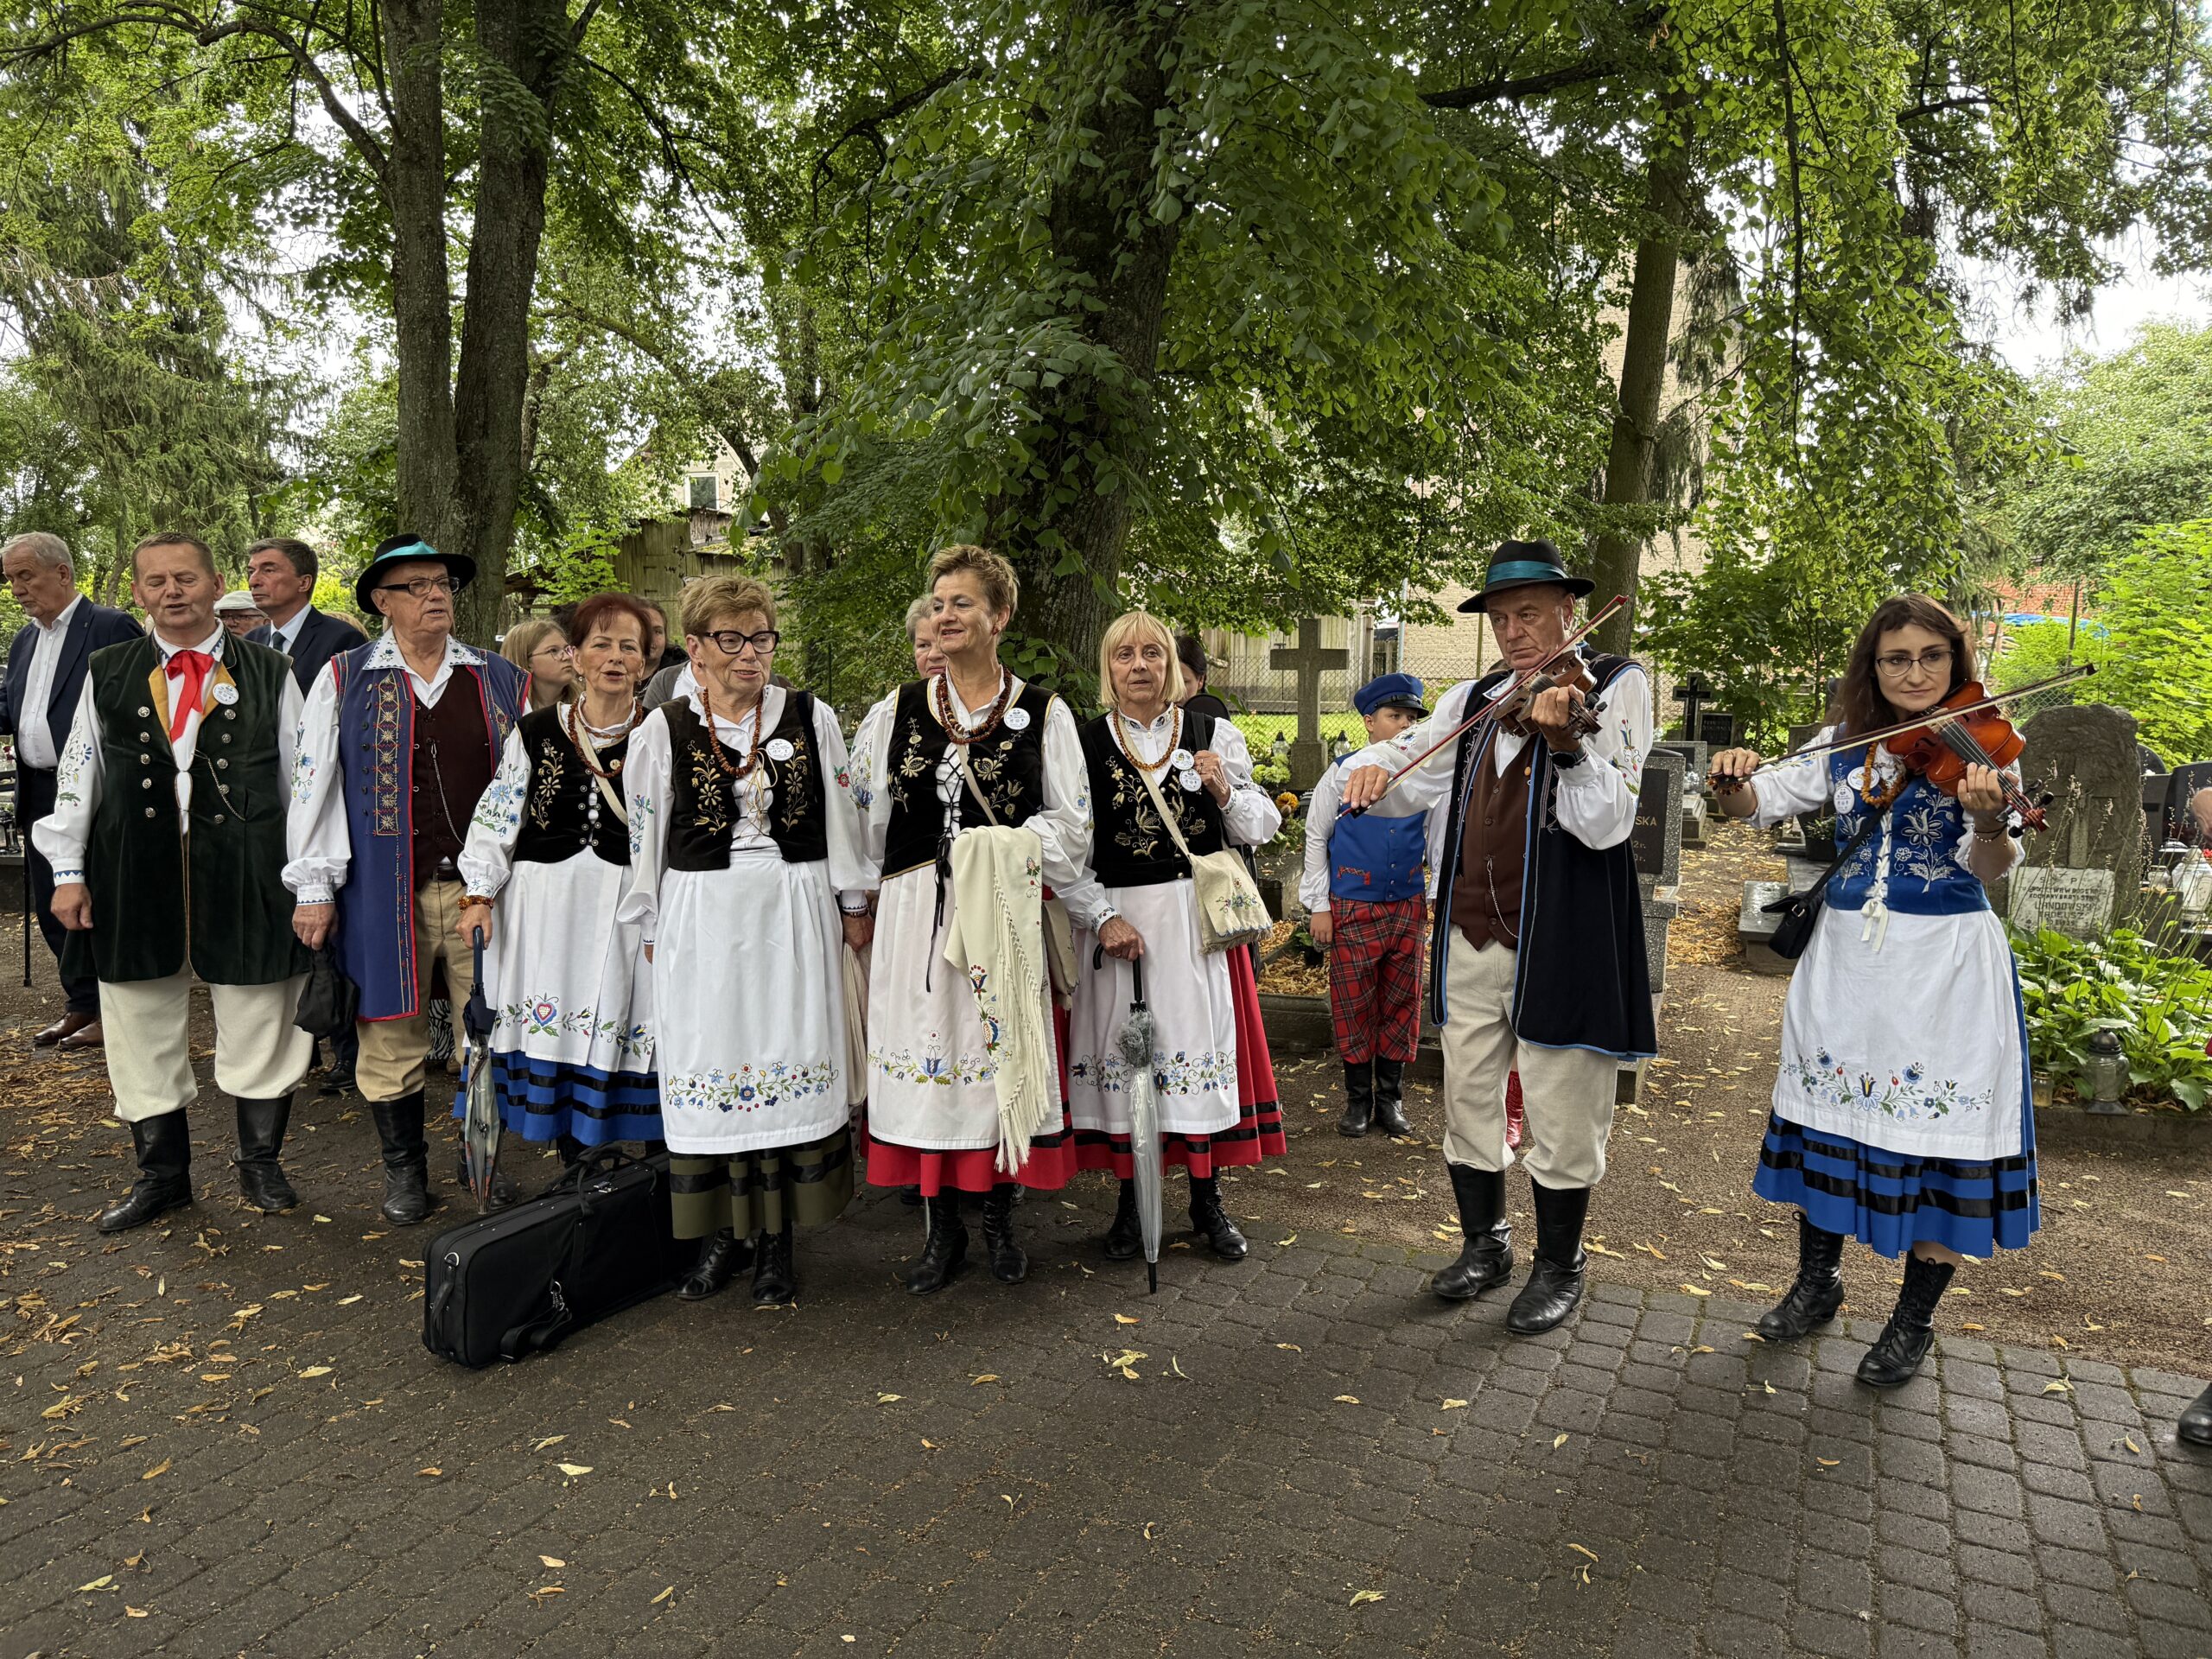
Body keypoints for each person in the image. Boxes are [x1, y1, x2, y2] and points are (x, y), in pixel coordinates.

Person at [1708, 594, 2038, 1389]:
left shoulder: (1987, 750)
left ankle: (1912, 1322)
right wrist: (1732, 780)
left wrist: (1990, 822)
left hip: (1945, 970)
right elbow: (1758, 806)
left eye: (1933, 657)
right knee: (1831, 1117)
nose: (1916, 672)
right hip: (1848, 966)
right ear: (1874, 667)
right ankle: (1816, 1284)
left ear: (1956, 665)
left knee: (1939, 1139)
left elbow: (1993, 872)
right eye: (1898, 658)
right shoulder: (1843, 743)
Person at [1341, 539, 1655, 1334]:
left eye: (1529, 614)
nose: (1514, 631)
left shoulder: (1614, 686)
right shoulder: (1472, 699)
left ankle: (1561, 1264)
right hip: (1472, 933)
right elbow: (1414, 770)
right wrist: (1373, 773)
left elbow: (1609, 822)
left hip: (1561, 936)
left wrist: (1568, 742)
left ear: (1568, 612)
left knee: (1560, 1104)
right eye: (1502, 617)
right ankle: (1487, 1245)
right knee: (1469, 1096)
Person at [35, 532, 314, 1230]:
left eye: (185, 578)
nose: (172, 592)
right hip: (134, 867)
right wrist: (67, 872)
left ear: (216, 583)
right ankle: (162, 1178)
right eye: (156, 581)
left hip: (247, 868)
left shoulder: (271, 671)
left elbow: (306, 784)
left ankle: (260, 1166)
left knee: (261, 1013)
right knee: (135, 1019)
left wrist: (311, 882)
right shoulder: (108, 668)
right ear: (137, 593)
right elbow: (78, 774)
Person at [619, 576, 868, 1304]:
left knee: (788, 1051)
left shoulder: (811, 717)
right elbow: (645, 835)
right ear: (695, 649)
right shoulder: (661, 728)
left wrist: (853, 899)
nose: (749, 653)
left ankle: (779, 1244)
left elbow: (844, 815)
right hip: (703, 912)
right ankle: (722, 1236)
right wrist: (654, 923)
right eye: (730, 639)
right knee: (713, 1058)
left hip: (795, 906)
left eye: (761, 637)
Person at [850, 545, 1090, 1293]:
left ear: (1000, 616)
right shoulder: (896, 710)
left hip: (1002, 913)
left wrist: (1001, 847)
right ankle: (942, 1230)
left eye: (962, 603)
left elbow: (1073, 829)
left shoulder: (1046, 713)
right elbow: (866, 818)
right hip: (918, 910)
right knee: (931, 1062)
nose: (945, 615)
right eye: (939, 602)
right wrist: (868, 898)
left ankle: (1000, 1218)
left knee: (998, 1060)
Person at [285, 531, 530, 1225]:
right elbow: (314, 787)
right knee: (390, 1032)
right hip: (382, 893)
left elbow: (522, 787)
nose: (435, 597)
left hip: (486, 893)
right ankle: (405, 1174)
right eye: (417, 587)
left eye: (443, 586)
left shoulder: (500, 679)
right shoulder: (344, 677)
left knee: (490, 1029)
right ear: (382, 602)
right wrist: (314, 888)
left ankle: (480, 1156)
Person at [1061, 610, 1284, 1261]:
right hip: (1118, 919)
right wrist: (1101, 918)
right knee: (1132, 1060)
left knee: (1193, 1056)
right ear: (1108, 667)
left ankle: (1207, 1202)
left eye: (1152, 654)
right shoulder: (1082, 742)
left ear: (1172, 667)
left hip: (1193, 924)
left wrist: (1222, 790)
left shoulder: (1214, 733)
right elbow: (1067, 852)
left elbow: (1261, 825)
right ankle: (1132, 1207)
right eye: (1125, 654)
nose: (1139, 666)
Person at [456, 594, 661, 1160]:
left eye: (629, 647)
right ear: (576, 656)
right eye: (601, 644)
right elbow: (498, 815)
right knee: (564, 1031)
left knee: (634, 1029)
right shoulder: (536, 731)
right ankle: (581, 1171)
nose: (614, 658)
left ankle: (652, 1188)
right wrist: (479, 893)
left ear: (644, 662)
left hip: (632, 908)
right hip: (546, 910)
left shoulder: (664, 734)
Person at [0, 531, 140, 1051]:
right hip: (37, 790)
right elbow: (17, 711)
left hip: (95, 791)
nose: (17, 589)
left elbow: (133, 709)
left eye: (25, 575)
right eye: (12, 579)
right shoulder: (24, 639)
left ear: (62, 572)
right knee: (50, 904)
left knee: (96, 899)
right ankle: (81, 1003)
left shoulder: (109, 626)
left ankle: (115, 1009)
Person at [1302, 671, 1440, 1139]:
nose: (1404, 725)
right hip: (1352, 905)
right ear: (1368, 721)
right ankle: (1358, 1099)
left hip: (1406, 905)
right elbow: (1317, 837)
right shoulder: (1340, 773)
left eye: (1410, 717)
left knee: (1402, 1003)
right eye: (1393, 715)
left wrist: (1436, 895)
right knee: (1354, 1002)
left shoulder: (1425, 779)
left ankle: (1391, 1099)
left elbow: (1436, 842)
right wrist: (1319, 906)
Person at [245, 537, 367, 690]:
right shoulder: (250, 642)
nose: (253, 581)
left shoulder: (342, 639)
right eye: (251, 571)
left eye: (268, 570)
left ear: (304, 583)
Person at [502, 618, 575, 714]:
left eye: (567, 649)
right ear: (526, 661)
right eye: (553, 650)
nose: (567, 657)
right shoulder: (505, 712)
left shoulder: (586, 705)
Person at [1175, 632, 1231, 721]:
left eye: (1183, 682)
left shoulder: (1217, 728)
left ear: (1200, 680)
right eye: (1167, 682)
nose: (1174, 692)